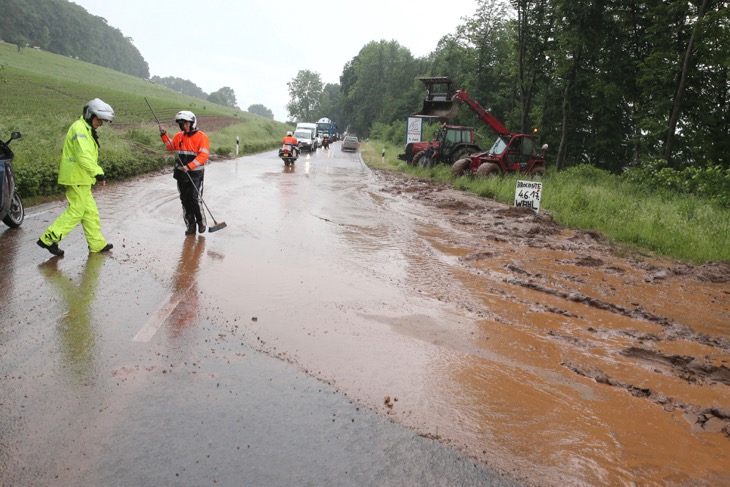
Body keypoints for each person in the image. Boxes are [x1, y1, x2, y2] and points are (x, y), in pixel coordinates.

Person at [37, 98, 115, 257]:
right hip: (76, 178)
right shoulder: (80, 129)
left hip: (82, 178)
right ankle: (48, 239)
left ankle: (97, 243)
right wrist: (98, 172)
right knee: (76, 211)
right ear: (89, 115)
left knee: (90, 212)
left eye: (102, 121)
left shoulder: (85, 129)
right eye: (98, 119)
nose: (100, 123)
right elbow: (83, 156)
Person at [159, 111, 210, 235]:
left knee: (194, 198)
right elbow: (171, 146)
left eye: (186, 123)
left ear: (192, 123)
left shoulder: (202, 137)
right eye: (181, 124)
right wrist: (164, 134)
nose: (184, 126)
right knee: (185, 200)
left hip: (195, 175)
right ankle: (190, 225)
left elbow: (203, 155)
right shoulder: (178, 136)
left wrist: (190, 166)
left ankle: (201, 222)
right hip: (181, 174)